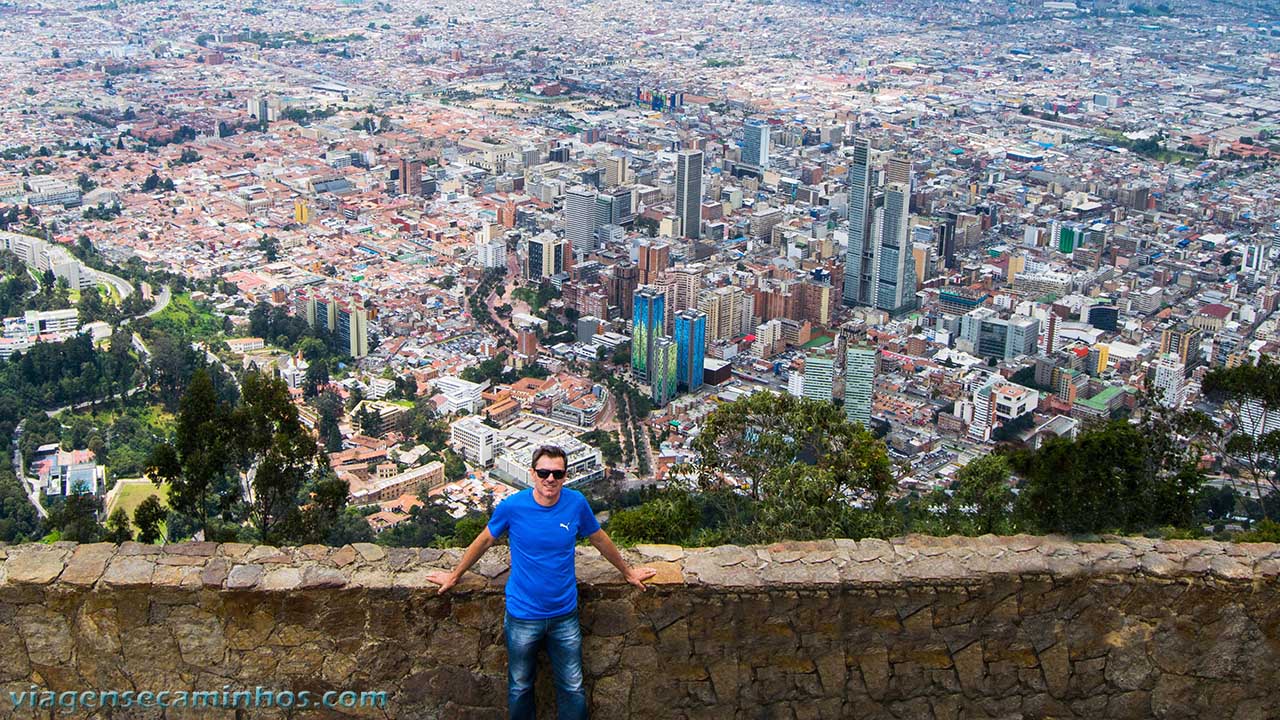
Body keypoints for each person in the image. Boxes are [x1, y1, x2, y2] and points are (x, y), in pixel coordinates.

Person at [427, 445, 656, 720]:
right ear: (533, 474)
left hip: (564, 613)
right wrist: (455, 575)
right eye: (544, 472)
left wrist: (628, 572)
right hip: (523, 614)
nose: (550, 479)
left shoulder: (576, 503)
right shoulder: (513, 507)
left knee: (572, 687)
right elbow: (485, 539)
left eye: (557, 474)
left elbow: (598, 538)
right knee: (520, 687)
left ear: (565, 476)